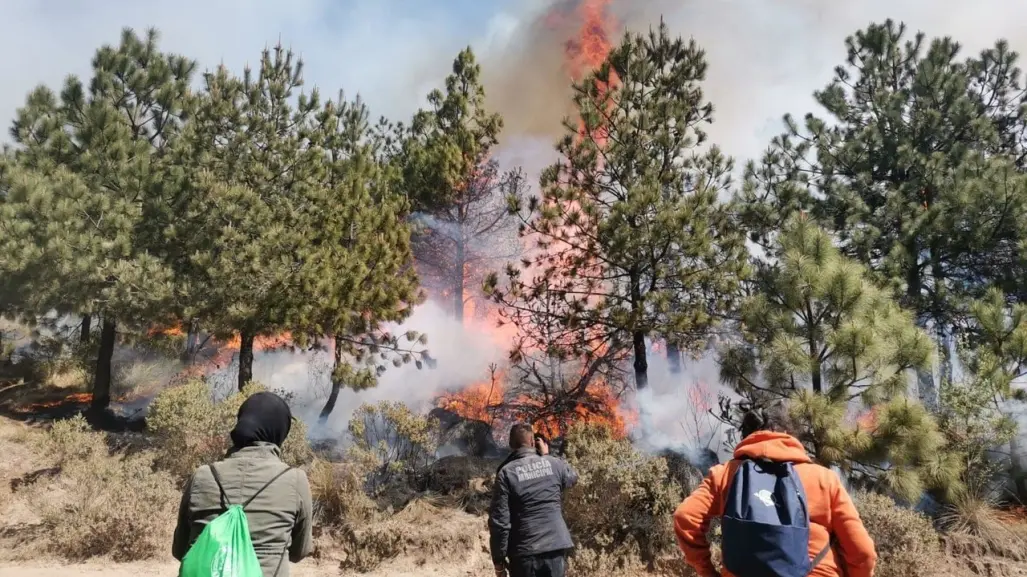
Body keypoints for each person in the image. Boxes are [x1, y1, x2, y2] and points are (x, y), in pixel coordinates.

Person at [673, 405, 877, 577]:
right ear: (788, 434)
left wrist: (707, 571)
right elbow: (863, 553)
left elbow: (685, 517)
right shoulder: (824, 479)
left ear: (747, 436)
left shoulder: (725, 474)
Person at [173, 392, 313, 577]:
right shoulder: (295, 480)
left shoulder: (202, 476)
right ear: (279, 431)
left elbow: (180, 549)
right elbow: (299, 552)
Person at [489, 424, 579, 577]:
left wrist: (498, 562)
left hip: (524, 553)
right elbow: (572, 477)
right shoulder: (553, 463)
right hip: (555, 548)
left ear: (511, 445)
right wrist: (546, 456)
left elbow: (500, 522)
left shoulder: (506, 473)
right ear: (533, 442)